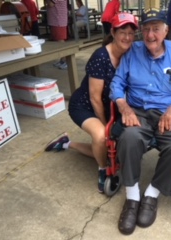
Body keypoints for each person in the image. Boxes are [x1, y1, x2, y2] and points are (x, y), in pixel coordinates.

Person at [109, 8, 171, 235]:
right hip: (139, 111)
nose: (150, 35)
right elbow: (117, 83)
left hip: (170, 113)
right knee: (129, 137)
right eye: (146, 30)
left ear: (166, 31)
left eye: (156, 29)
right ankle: (132, 197)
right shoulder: (133, 51)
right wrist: (123, 106)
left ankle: (152, 194)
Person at [44, 13, 138, 193]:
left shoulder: (131, 53)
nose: (127, 37)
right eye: (122, 32)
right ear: (113, 32)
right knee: (103, 136)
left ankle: (66, 143)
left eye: (131, 33)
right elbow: (95, 98)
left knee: (115, 151)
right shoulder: (101, 56)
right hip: (85, 105)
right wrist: (105, 125)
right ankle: (103, 170)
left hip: (109, 105)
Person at [47, 0, 68, 70]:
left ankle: (65, 61)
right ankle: (62, 61)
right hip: (57, 21)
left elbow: (51, 4)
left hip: (58, 21)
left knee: (60, 41)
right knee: (59, 41)